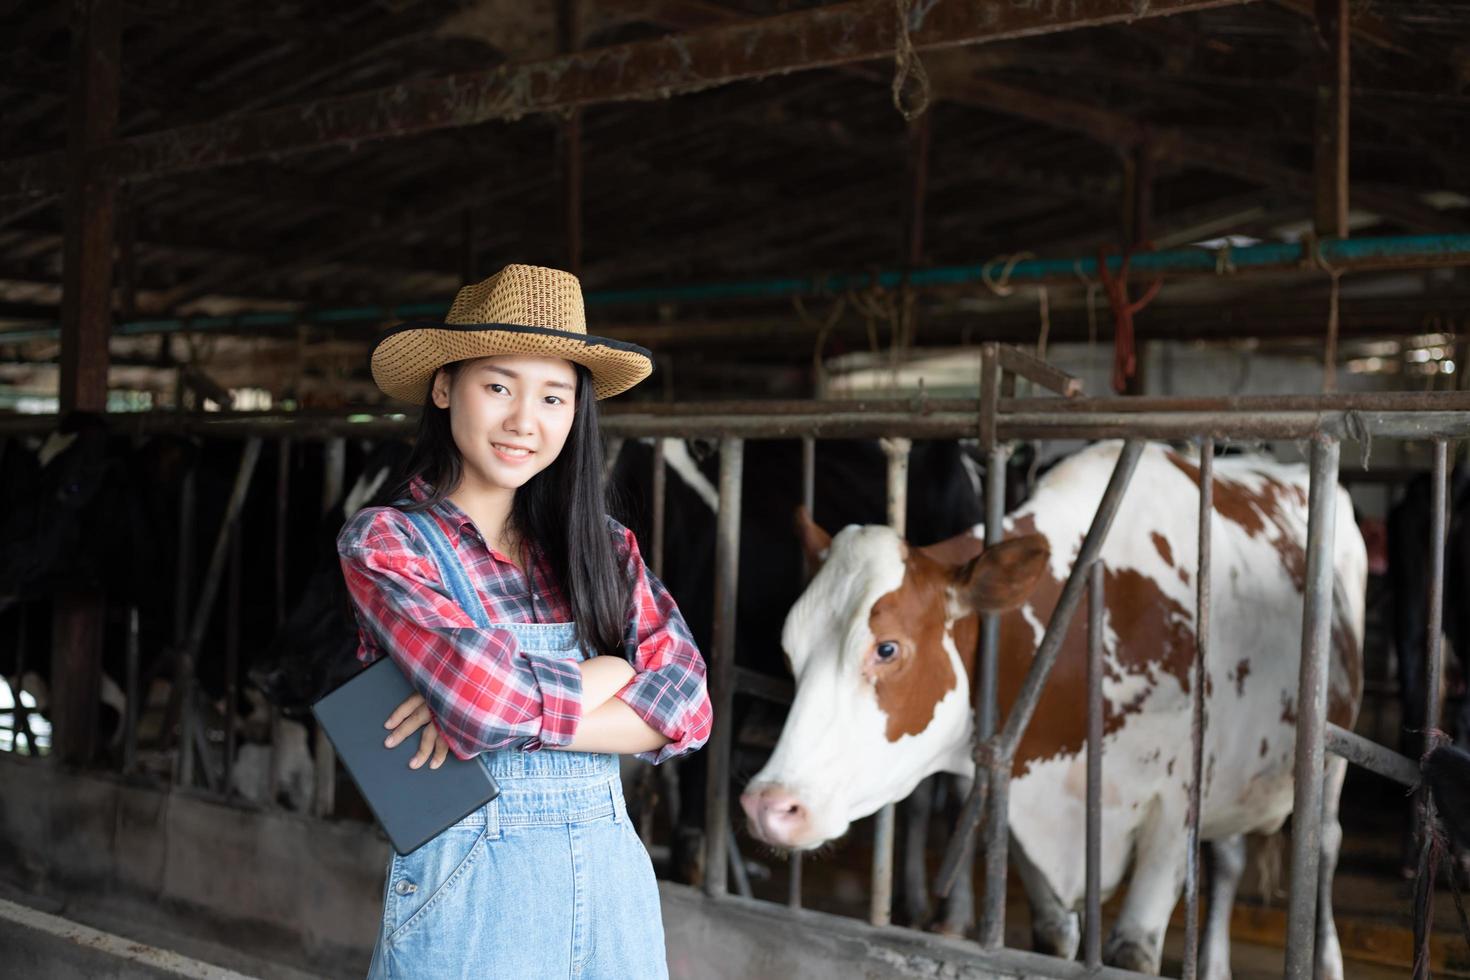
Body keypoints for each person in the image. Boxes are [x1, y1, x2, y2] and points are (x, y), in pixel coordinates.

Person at [336, 264, 712, 979]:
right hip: (470, 893)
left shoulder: (601, 547)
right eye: (498, 386)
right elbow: (482, 702)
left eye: (553, 396)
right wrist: (613, 672)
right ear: (445, 385)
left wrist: (495, 712)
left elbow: (689, 705)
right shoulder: (387, 543)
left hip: (612, 891)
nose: (523, 422)